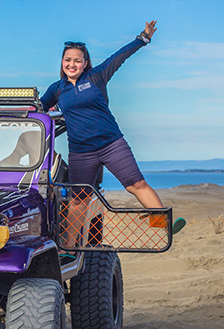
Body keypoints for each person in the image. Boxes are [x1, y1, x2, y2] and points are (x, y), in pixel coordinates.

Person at [41, 21, 184, 247]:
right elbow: (38, 108)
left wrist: (143, 38)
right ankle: (67, 248)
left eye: (77, 60)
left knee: (136, 185)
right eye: (68, 60)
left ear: (85, 63)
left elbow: (119, 56)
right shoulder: (57, 89)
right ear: (62, 62)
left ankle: (165, 226)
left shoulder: (96, 76)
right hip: (81, 152)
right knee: (79, 201)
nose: (72, 64)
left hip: (112, 144)